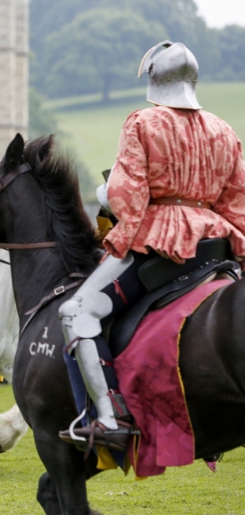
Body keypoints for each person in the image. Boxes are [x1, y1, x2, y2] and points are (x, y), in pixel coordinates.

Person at [57, 41, 245, 452]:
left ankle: (109, 421)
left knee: (75, 311)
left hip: (162, 240)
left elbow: (129, 198)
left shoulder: (144, 122)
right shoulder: (223, 129)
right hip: (212, 243)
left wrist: (105, 195)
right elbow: (237, 201)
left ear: (154, 78)